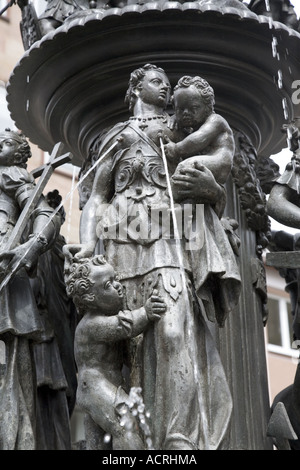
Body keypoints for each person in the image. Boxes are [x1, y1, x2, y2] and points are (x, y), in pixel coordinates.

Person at [68, 64, 241, 450]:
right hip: (119, 242)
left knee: (173, 330)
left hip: (169, 234)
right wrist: (85, 245)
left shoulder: (181, 126)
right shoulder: (113, 136)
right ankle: (137, 443)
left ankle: (178, 437)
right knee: (129, 341)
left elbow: (220, 167)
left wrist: (212, 190)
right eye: (156, 81)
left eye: (167, 83)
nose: (166, 88)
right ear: (135, 88)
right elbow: (97, 196)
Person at [0, 129, 67, 449]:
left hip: (6, 273)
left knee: (13, 374)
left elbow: (43, 213)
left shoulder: (10, 175)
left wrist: (32, 245)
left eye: (7, 142)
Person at [63, 253, 166, 450]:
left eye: (115, 279)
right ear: (91, 298)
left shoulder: (98, 318)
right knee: (126, 424)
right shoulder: (91, 324)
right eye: (108, 285)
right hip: (95, 388)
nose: (118, 286)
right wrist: (146, 312)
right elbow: (123, 326)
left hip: (99, 389)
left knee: (97, 444)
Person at [163, 75, 234, 209]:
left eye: (193, 108)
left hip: (219, 162)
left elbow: (197, 140)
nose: (185, 113)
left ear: (207, 107)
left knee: (187, 166)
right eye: (179, 109)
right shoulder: (193, 120)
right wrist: (174, 117)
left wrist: (176, 148)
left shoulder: (216, 120)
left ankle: (169, 200)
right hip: (209, 162)